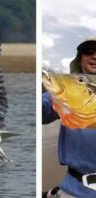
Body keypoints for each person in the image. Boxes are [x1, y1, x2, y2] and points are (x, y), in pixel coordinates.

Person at [42, 37, 96, 197]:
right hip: (74, 190)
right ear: (80, 59)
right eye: (89, 51)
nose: (94, 56)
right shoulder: (67, 89)